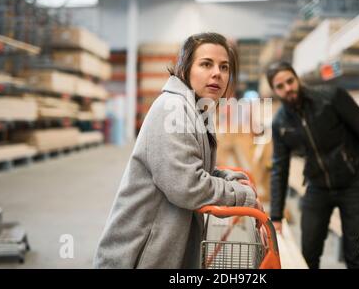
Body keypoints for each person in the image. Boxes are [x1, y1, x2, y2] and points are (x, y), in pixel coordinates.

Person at [94, 32, 260, 269]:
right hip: (139, 256)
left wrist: (231, 179)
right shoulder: (173, 110)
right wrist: (243, 196)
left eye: (224, 67)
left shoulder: (196, 110)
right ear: (185, 69)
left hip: (162, 251)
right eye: (206, 64)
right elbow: (187, 186)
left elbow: (198, 169)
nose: (217, 73)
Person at [266, 61, 359, 269]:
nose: (288, 88)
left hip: (354, 185)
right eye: (280, 86)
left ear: (297, 78)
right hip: (317, 188)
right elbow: (280, 168)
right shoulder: (280, 123)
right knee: (308, 253)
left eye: (290, 81)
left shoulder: (332, 97)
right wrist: (277, 216)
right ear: (275, 91)